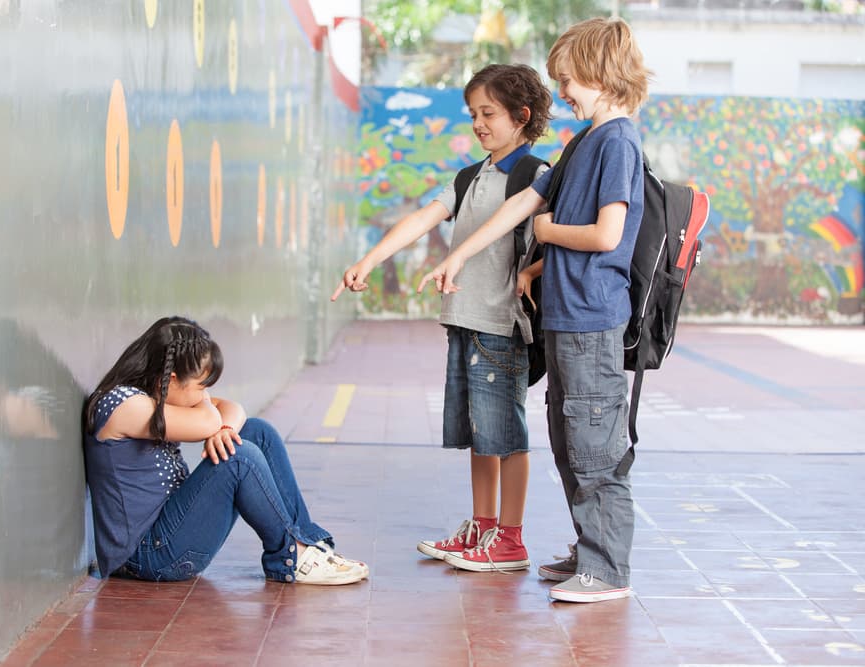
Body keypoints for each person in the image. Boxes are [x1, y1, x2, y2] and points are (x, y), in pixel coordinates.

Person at [419, 17, 650, 602]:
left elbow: (605, 235)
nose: (564, 91)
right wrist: (482, 260)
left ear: (601, 74)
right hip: (566, 319)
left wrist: (547, 230)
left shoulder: (618, 140)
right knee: (572, 441)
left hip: (593, 319)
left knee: (596, 447)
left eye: (568, 80)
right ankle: (587, 551)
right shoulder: (584, 142)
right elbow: (520, 205)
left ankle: (608, 570)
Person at [333, 64, 554, 572]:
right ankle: (482, 526)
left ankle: (511, 539)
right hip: (465, 321)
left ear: (521, 117)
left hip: (502, 325)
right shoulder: (471, 176)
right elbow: (421, 219)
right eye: (473, 114)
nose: (478, 123)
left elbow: (557, 237)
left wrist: (532, 271)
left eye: (488, 113)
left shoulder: (533, 176)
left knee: (507, 435)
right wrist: (369, 260)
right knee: (481, 433)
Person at [82, 316, 368, 585]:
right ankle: (290, 559)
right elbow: (209, 417)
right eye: (200, 387)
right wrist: (210, 408)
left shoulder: (150, 395)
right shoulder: (125, 406)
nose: (203, 395)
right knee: (239, 459)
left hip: (169, 532)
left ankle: (306, 543)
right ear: (167, 380)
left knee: (257, 432)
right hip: (148, 555)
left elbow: (234, 410)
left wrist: (224, 430)